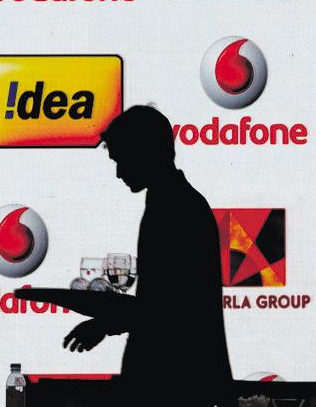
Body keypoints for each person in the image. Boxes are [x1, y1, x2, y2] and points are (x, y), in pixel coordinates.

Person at [62, 105, 233, 405]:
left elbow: (168, 308)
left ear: (144, 152)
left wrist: (103, 322)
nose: (118, 172)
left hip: (172, 382)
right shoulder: (177, 203)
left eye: (122, 159)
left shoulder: (173, 209)